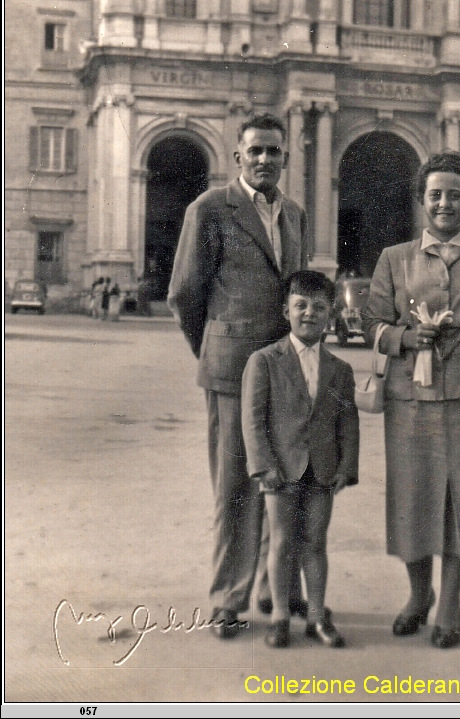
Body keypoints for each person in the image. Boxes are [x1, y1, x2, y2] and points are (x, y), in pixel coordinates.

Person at [168, 114, 308, 638]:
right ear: (238, 158)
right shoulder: (208, 209)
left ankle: (275, 591)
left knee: (284, 478)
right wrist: (213, 348)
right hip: (230, 369)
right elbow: (185, 293)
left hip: (285, 369)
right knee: (232, 488)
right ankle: (228, 598)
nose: (266, 160)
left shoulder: (293, 214)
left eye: (274, 152)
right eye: (256, 152)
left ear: (285, 158)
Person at [364, 151, 460, 650]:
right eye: (436, 195)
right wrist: (405, 338)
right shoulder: (394, 258)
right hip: (411, 398)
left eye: (456, 195)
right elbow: (371, 325)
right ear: (422, 200)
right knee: (414, 499)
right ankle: (418, 595)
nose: (445, 203)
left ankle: (450, 602)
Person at [242, 270, 359, 649]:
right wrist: (264, 468)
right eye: (301, 305)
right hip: (279, 471)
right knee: (279, 542)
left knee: (315, 543)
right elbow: (253, 420)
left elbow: (348, 422)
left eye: (320, 307)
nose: (309, 313)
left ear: (331, 315)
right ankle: (279, 616)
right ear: (286, 310)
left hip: (322, 471)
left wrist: (346, 468)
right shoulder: (264, 361)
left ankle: (315, 617)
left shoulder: (340, 370)